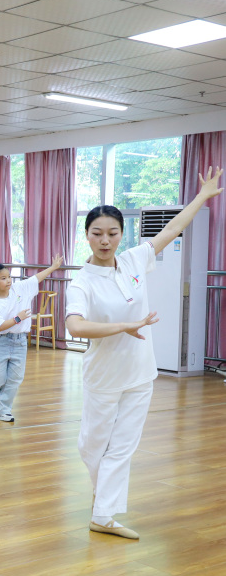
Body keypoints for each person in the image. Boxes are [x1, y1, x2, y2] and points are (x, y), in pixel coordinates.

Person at [65, 166, 224, 541]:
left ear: (122, 234)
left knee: (122, 447)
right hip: (103, 377)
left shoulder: (134, 260)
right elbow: (76, 327)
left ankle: (103, 514)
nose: (105, 240)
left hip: (140, 374)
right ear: (86, 235)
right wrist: (123, 326)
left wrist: (202, 196)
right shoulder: (82, 281)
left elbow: (172, 229)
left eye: (112, 233)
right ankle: (102, 494)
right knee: (92, 446)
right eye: (97, 233)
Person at [0, 256, 63, 423]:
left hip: (20, 342)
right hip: (1, 342)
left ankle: (2, 409)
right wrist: (17, 318)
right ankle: (0, 405)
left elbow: (36, 278)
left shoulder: (20, 288)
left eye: (9, 277)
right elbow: (0, 326)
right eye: (3, 278)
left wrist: (53, 267)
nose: (8, 281)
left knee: (14, 379)